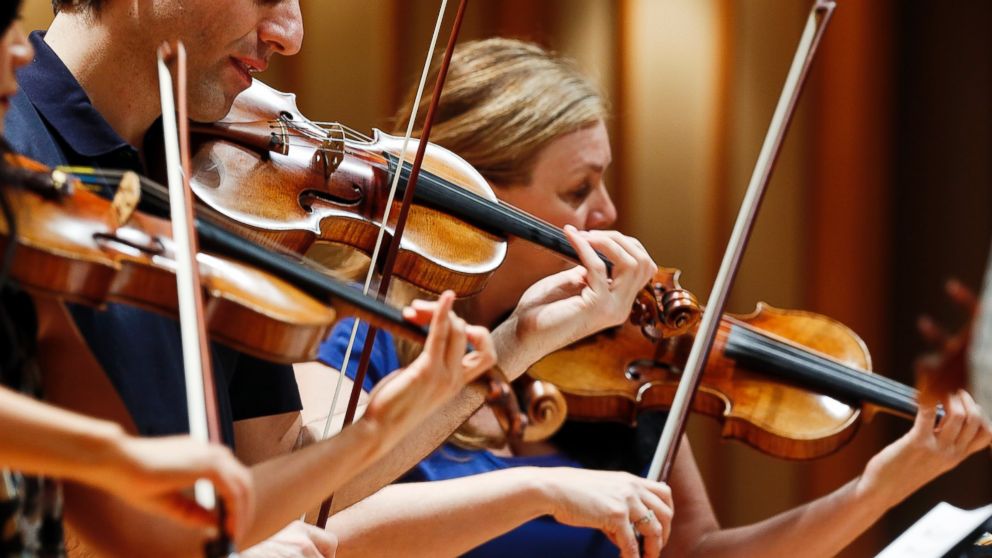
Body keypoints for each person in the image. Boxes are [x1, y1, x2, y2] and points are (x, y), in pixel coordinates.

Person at [311, 38, 992, 558]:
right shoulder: (352, 353)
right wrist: (530, 488)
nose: (608, 212)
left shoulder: (621, 363)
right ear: (471, 197)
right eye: (578, 191)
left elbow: (693, 554)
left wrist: (881, 486)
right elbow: (311, 537)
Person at [5, 1, 498, 555]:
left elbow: (250, 497)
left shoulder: (231, 190)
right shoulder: (17, 172)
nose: (290, 35)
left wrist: (514, 344)